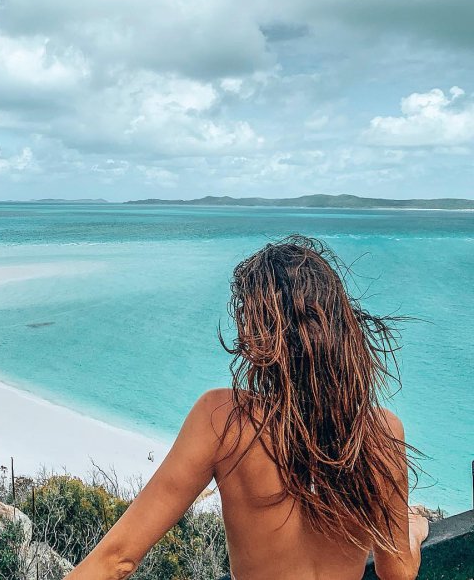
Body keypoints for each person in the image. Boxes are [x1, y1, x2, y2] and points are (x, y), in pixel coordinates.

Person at [65, 236, 429, 580]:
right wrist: (412, 528)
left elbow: (117, 560)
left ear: (258, 336)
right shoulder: (381, 431)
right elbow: (396, 571)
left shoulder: (222, 418)